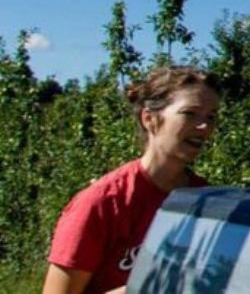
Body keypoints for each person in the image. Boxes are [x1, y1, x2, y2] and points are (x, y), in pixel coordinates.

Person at [45, 66, 220, 294]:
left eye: (211, 117)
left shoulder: (206, 201)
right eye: (190, 113)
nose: (204, 126)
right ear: (150, 119)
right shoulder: (103, 203)